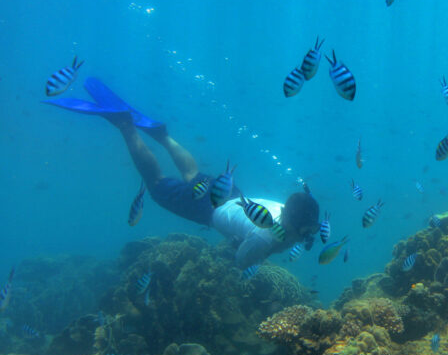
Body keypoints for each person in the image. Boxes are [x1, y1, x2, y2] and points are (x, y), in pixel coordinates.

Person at [44, 77, 320, 269]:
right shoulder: (266, 237)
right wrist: (240, 248)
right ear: (287, 222)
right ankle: (126, 125)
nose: (306, 237)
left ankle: (162, 135)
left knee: (192, 173)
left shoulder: (290, 214)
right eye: (304, 232)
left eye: (310, 231)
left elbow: (294, 217)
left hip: (231, 194)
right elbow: (240, 262)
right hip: (208, 210)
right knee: (156, 184)